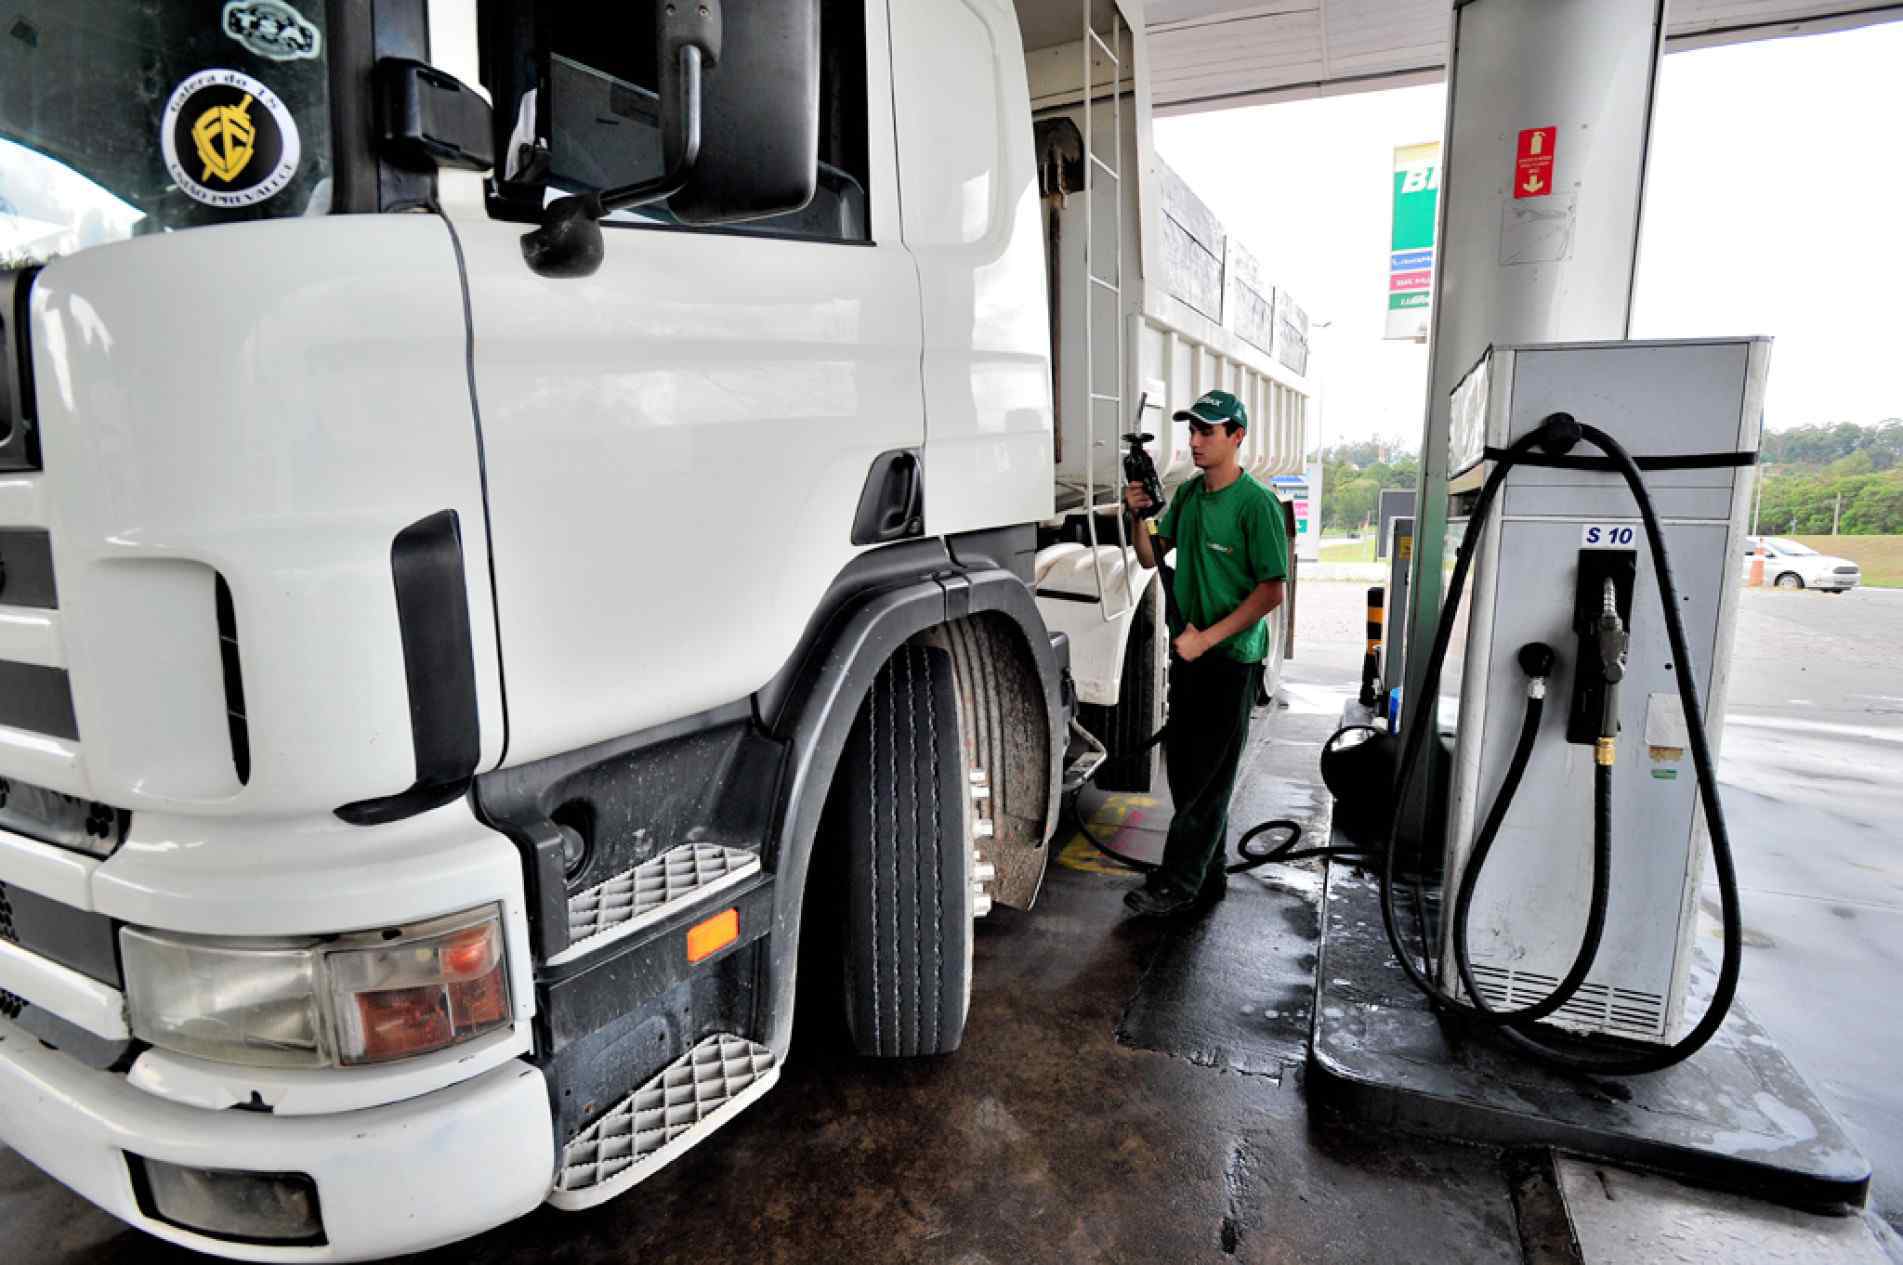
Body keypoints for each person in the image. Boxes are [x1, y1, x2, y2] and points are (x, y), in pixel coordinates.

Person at [1120, 389, 1289, 917]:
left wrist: (1207, 639)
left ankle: (1175, 883)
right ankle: (1206, 876)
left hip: (1229, 657)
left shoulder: (1256, 505)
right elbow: (1150, 557)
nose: (1194, 441)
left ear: (1236, 437)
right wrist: (1137, 514)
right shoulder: (1191, 496)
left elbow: (1271, 591)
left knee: (1209, 781)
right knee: (1189, 773)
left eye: (1207, 431)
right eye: (1191, 430)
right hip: (1191, 654)